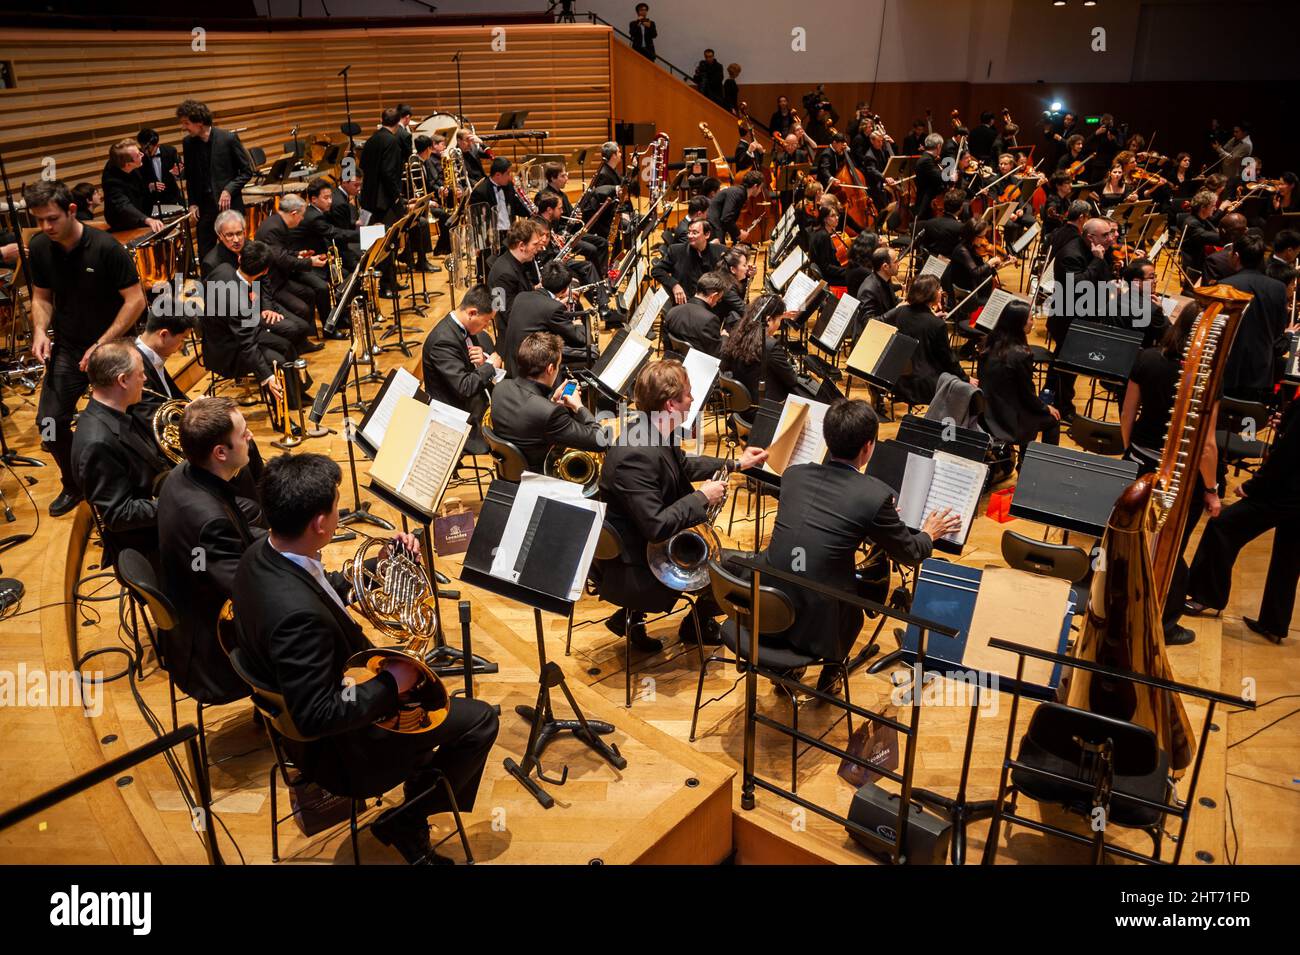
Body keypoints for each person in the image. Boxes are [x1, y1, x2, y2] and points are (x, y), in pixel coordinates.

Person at [232, 453, 499, 864]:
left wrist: (385, 565)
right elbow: (315, 716)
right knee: (481, 721)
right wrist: (393, 682)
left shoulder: (261, 554)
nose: (339, 513)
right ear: (320, 523)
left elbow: (324, 587)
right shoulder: (296, 618)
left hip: (332, 706)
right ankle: (408, 818)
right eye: (336, 506)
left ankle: (415, 796)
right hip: (345, 755)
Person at [766, 399, 960, 686]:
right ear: (868, 447)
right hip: (819, 619)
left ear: (827, 437)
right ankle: (832, 671)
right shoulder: (874, 495)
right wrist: (930, 532)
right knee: (852, 600)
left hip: (769, 600)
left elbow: (824, 520)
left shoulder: (794, 475)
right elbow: (911, 553)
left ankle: (788, 670)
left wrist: (870, 517)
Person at [596, 360, 768, 651]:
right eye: (688, 394)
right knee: (746, 568)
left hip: (644, 546)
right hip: (635, 566)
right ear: (670, 404)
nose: (693, 399)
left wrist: (737, 463)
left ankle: (636, 618)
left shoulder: (651, 428)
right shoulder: (635, 455)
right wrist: (702, 498)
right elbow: (655, 526)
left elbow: (683, 466)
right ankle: (695, 625)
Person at [26, 180, 146, 517]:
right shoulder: (39, 248)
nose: (45, 227)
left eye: (51, 218)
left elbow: (135, 300)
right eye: (39, 220)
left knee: (134, 417)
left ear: (72, 210)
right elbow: (41, 296)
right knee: (50, 423)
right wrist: (39, 331)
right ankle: (73, 484)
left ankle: (135, 481)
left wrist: (102, 343)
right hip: (69, 346)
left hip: (112, 347)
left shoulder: (106, 247)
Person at [1118, 300, 1217, 645]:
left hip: (1140, 464)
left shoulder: (1146, 358)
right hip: (1180, 476)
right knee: (1171, 546)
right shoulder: (1207, 378)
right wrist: (1212, 488)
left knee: (1138, 537)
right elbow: (1206, 446)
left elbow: (1127, 413)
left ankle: (1126, 604)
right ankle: (1166, 622)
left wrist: (1132, 454)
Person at [156, 396, 265, 702]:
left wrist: (281, 541)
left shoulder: (184, 473)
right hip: (214, 653)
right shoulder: (208, 521)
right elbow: (246, 592)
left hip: (197, 614)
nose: (250, 437)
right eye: (243, 434)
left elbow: (238, 534)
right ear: (220, 452)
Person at [1185, 398, 1299, 644]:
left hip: (1285, 491)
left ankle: (1207, 597)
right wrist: (1288, 422)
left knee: (1223, 525)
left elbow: (1289, 453)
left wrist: (1254, 485)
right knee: (1288, 558)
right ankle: (1274, 624)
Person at [70, 341, 170, 568]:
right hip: (149, 543)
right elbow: (119, 515)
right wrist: (176, 501)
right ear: (123, 380)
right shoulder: (96, 442)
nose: (145, 380)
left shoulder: (119, 410)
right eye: (141, 375)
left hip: (159, 506)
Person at [490, 332, 607, 472]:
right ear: (550, 369)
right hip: (539, 479)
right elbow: (599, 441)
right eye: (558, 366)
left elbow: (529, 419)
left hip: (508, 475)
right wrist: (578, 406)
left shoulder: (501, 388)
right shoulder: (550, 413)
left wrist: (551, 402)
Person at [201, 240, 296, 406]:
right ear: (265, 271)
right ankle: (285, 408)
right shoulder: (239, 305)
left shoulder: (222, 269)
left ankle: (296, 395)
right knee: (277, 362)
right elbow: (248, 346)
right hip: (227, 351)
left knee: (286, 345)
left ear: (239, 259)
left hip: (230, 334)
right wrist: (267, 377)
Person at [176, 99, 256, 259]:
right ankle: (209, 283)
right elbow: (191, 176)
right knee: (205, 252)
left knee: (237, 250)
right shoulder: (188, 143)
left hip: (229, 205)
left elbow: (247, 171)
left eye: (186, 123)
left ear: (199, 122)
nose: (183, 127)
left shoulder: (228, 138)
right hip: (205, 208)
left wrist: (228, 190)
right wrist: (192, 202)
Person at [978, 299, 1060, 452]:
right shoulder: (1021, 355)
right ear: (1019, 324)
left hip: (987, 414)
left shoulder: (987, 344)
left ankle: (1024, 458)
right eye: (1030, 318)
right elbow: (1027, 395)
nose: (1033, 321)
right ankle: (1039, 464)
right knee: (1053, 420)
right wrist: (1045, 408)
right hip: (1008, 420)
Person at [1218, 233, 1289, 403]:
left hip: (1227, 365)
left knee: (1220, 419)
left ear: (1236, 256)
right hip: (1260, 366)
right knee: (1247, 420)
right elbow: (1279, 329)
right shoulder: (1279, 288)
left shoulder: (1224, 286)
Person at [421, 284, 501, 433]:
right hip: (456, 417)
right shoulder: (442, 341)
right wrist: (490, 365)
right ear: (472, 313)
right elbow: (465, 387)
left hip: (473, 401)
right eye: (487, 321)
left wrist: (482, 362)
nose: (487, 326)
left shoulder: (465, 327)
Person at [719, 294, 805, 424]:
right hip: (763, 411)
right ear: (769, 319)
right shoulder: (769, 345)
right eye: (779, 319)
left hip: (742, 406)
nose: (779, 324)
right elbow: (791, 379)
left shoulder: (737, 334)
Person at [888, 275, 969, 406]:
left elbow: (917, 325)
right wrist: (966, 378)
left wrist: (932, 318)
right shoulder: (936, 324)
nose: (941, 291)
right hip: (924, 384)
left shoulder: (900, 312)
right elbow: (948, 360)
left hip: (898, 379)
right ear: (931, 294)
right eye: (939, 289)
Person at [499, 261, 589, 377]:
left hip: (511, 365)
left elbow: (540, 311)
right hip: (530, 370)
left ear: (542, 280)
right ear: (564, 290)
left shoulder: (521, 296)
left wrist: (556, 304)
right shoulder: (553, 308)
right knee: (590, 353)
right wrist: (577, 323)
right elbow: (580, 339)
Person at [485, 218, 545, 328]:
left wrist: (540, 290)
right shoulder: (503, 275)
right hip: (515, 335)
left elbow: (521, 293)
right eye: (535, 244)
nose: (538, 249)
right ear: (521, 246)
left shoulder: (515, 262)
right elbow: (508, 314)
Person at [652, 218, 724, 304]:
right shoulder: (676, 251)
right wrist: (674, 285)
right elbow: (656, 270)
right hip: (686, 304)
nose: (690, 236)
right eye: (689, 232)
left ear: (707, 234)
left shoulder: (720, 251)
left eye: (694, 233)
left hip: (712, 304)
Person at [101, 138, 163, 233]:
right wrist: (146, 219)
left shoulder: (127, 161)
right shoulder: (111, 180)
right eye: (138, 155)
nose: (142, 155)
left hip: (141, 213)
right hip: (123, 223)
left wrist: (149, 186)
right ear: (128, 165)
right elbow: (123, 205)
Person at [663, 271, 727, 357]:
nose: (717, 302)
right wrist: (724, 338)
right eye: (718, 299)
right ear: (713, 296)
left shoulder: (672, 312)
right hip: (698, 367)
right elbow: (716, 355)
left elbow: (667, 346)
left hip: (674, 364)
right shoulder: (710, 319)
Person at [853, 247, 899, 340]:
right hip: (870, 339)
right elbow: (869, 323)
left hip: (883, 330)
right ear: (885, 267)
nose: (899, 264)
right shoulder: (869, 290)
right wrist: (897, 309)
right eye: (896, 261)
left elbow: (891, 300)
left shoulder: (885, 278)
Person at [707, 171, 763, 245]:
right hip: (713, 227)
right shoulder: (737, 193)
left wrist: (736, 236)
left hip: (715, 226)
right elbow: (726, 218)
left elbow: (728, 219)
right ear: (755, 186)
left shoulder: (739, 193)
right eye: (760, 188)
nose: (760, 191)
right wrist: (739, 234)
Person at [137, 128, 184, 208]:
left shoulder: (171, 151)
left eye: (148, 149)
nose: (145, 152)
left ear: (157, 145)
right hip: (150, 202)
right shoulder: (138, 156)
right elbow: (135, 181)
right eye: (143, 148)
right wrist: (149, 186)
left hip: (172, 198)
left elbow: (183, 173)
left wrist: (177, 174)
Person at [806, 204, 847, 286]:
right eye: (832, 216)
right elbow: (826, 267)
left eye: (837, 215)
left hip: (825, 275)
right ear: (825, 219)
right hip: (827, 278)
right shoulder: (823, 236)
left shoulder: (819, 232)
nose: (837, 218)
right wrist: (847, 271)